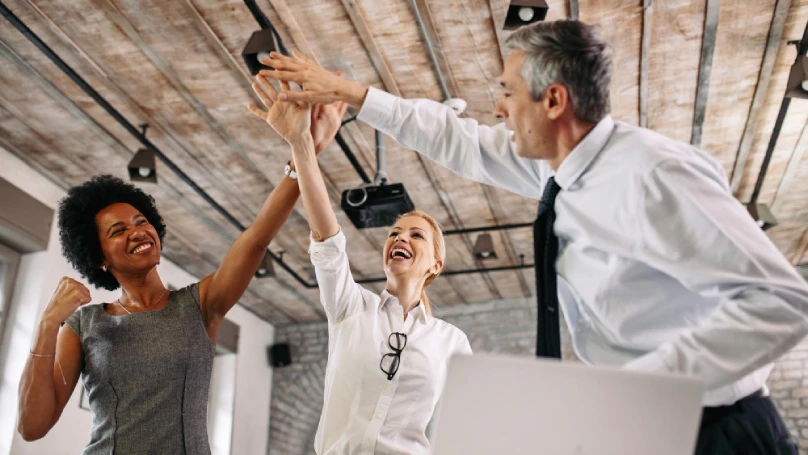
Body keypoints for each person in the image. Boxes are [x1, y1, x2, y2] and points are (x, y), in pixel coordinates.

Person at [259, 20, 808, 454]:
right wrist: (353, 94)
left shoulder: (651, 172)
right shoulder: (558, 171)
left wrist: (640, 388)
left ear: (553, 101)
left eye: (507, 92)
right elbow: (459, 140)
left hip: (716, 433)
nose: (498, 108)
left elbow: (783, 300)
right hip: (649, 432)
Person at [16, 82, 345, 453]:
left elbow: (256, 239)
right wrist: (47, 324)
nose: (138, 232)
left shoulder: (201, 305)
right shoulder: (84, 325)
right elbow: (32, 427)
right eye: (118, 230)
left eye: (141, 221)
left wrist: (304, 153)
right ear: (99, 256)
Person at [248, 73, 471, 454]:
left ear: (435, 265)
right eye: (395, 233)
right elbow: (328, 238)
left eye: (416, 235)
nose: (400, 238)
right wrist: (302, 143)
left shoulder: (451, 342)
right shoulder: (351, 307)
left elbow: (468, 426)